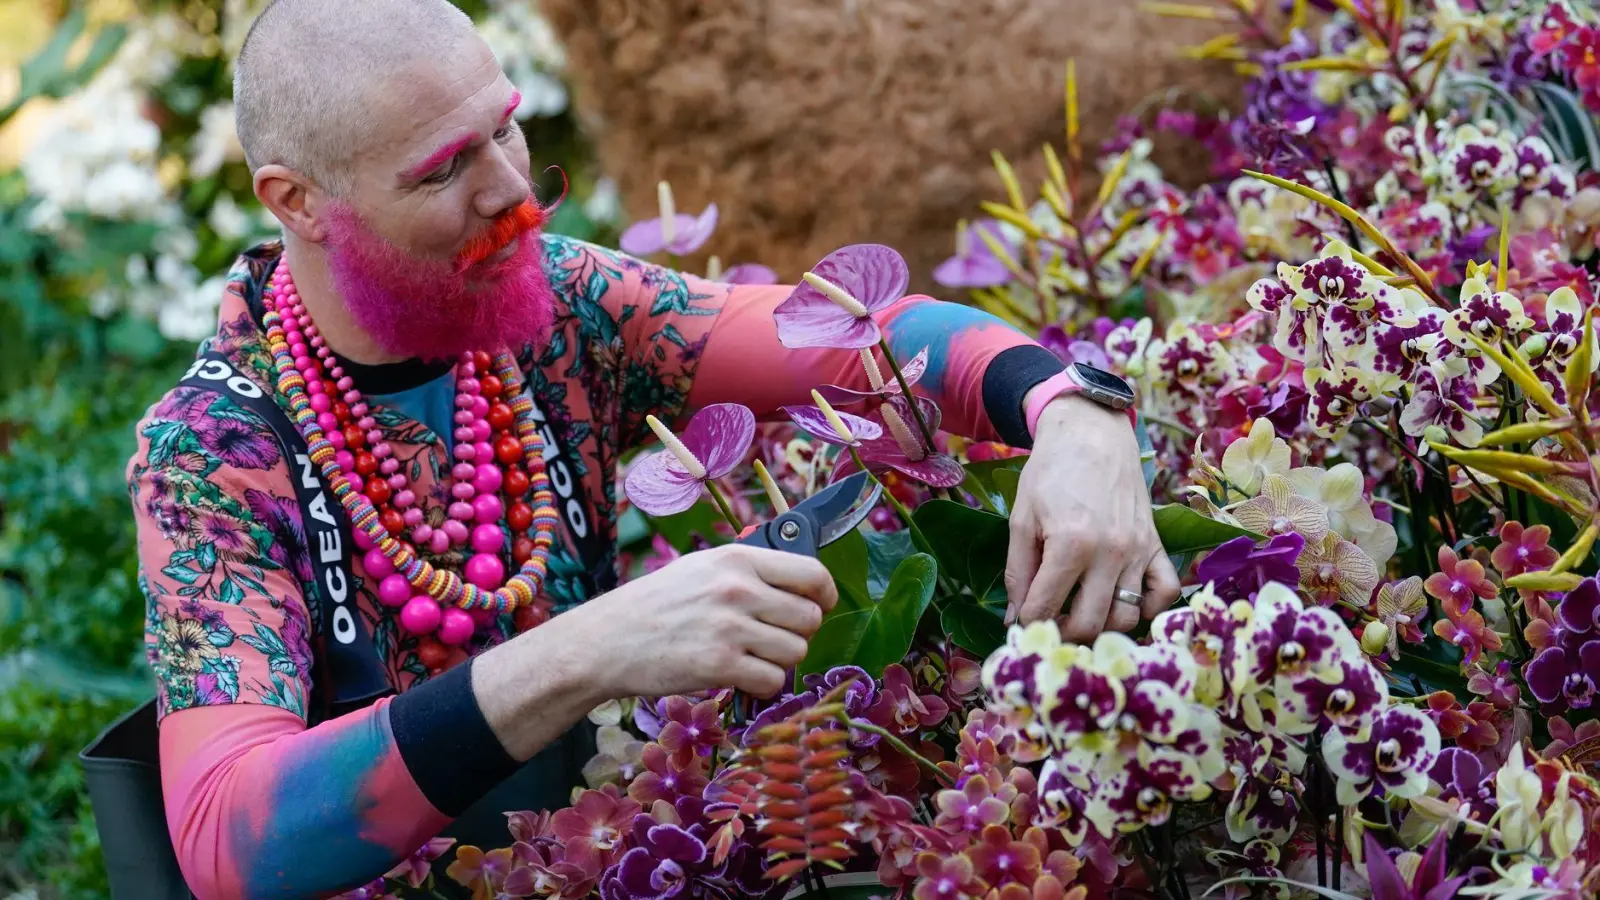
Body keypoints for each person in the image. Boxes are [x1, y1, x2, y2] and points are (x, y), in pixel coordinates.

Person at [125, 0, 1179, 896]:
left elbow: (861, 338)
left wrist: (1072, 410)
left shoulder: (558, 303)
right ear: (297, 200)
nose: (510, 191)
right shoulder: (213, 450)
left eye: (506, 129)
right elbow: (232, 836)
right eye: (443, 168)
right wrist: (587, 651)